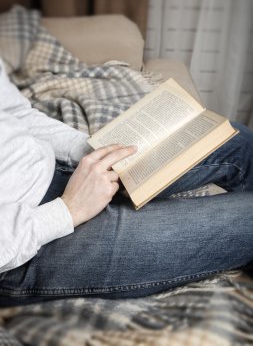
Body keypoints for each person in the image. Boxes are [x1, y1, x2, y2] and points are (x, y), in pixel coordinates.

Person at [0, 57, 252, 307]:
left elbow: (16, 113)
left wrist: (90, 152)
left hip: (57, 170)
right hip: (28, 241)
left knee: (236, 141)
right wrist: (69, 209)